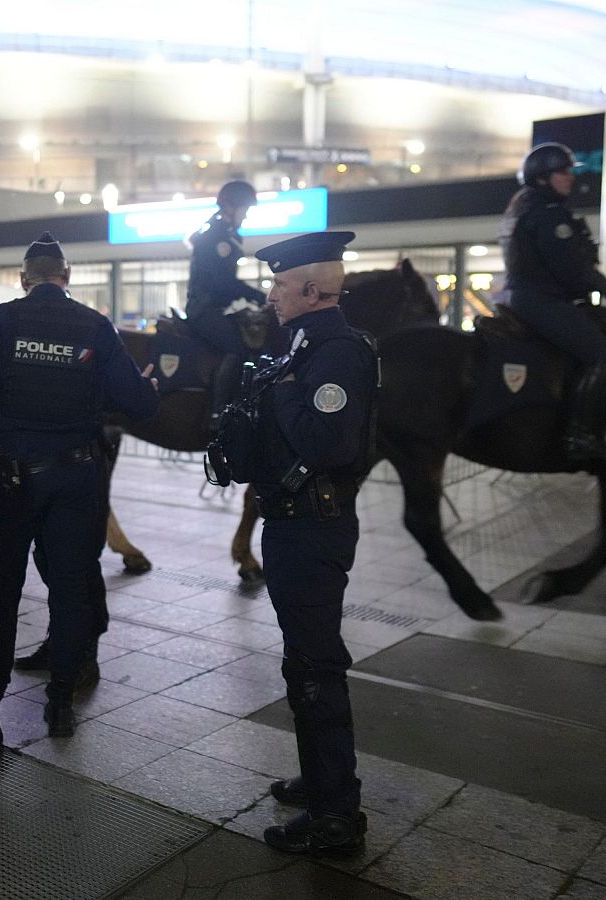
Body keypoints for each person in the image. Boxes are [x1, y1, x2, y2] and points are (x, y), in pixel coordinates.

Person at [0, 232, 159, 743]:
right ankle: (61, 704)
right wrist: (146, 388)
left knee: (0, 595)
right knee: (69, 592)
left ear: (25, 280)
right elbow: (138, 404)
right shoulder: (95, 326)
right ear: (66, 278)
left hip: (14, 479)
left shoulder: (0, 321)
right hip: (76, 477)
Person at [245, 230, 379, 856]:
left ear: (307, 288)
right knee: (303, 661)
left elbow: (328, 445)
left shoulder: (336, 353)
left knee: (316, 667)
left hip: (313, 526)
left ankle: (335, 814)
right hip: (295, 521)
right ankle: (321, 778)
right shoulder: (304, 344)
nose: (271, 295)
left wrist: (281, 391)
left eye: (277, 284)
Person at [497, 142, 606, 463]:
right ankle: (581, 436)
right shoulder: (549, 215)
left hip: (526, 297)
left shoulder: (526, 206)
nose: (570, 178)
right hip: (542, 300)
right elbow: (570, 268)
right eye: (562, 172)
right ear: (542, 178)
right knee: (603, 356)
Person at [188, 181, 267, 429]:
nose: (246, 215)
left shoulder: (226, 235)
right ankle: (218, 413)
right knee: (237, 349)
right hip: (203, 310)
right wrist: (259, 296)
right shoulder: (216, 237)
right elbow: (222, 283)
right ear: (230, 207)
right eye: (245, 209)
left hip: (218, 308)